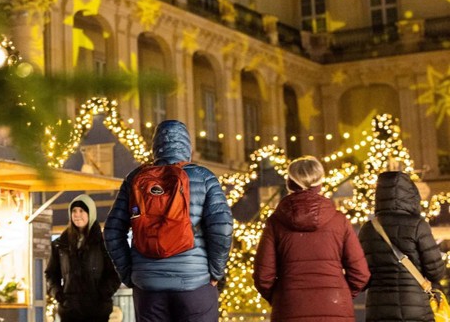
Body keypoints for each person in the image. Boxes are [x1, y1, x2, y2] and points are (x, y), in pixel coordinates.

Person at [104, 120, 233, 322]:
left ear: (155, 147)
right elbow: (222, 228)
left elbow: (112, 231)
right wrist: (216, 272)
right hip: (194, 283)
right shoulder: (203, 177)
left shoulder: (135, 179)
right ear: (187, 146)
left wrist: (130, 274)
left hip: (148, 287)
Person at [253, 156, 370, 321]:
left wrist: (282, 297)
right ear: (320, 184)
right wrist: (340, 294)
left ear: (289, 183)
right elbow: (361, 273)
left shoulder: (275, 222)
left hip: (289, 309)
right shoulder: (339, 221)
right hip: (335, 307)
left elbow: (263, 276)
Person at [358, 170, 446, 322]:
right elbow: (436, 272)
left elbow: (361, 275)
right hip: (415, 308)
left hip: (378, 309)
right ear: (410, 195)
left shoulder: (368, 228)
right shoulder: (418, 225)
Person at [44, 194, 120, 322]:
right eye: (74, 211)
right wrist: (59, 295)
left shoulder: (104, 243)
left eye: (82, 211)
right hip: (70, 310)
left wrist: (103, 294)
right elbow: (51, 273)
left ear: (91, 213)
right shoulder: (61, 244)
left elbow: (115, 272)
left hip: (97, 310)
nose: (77, 214)